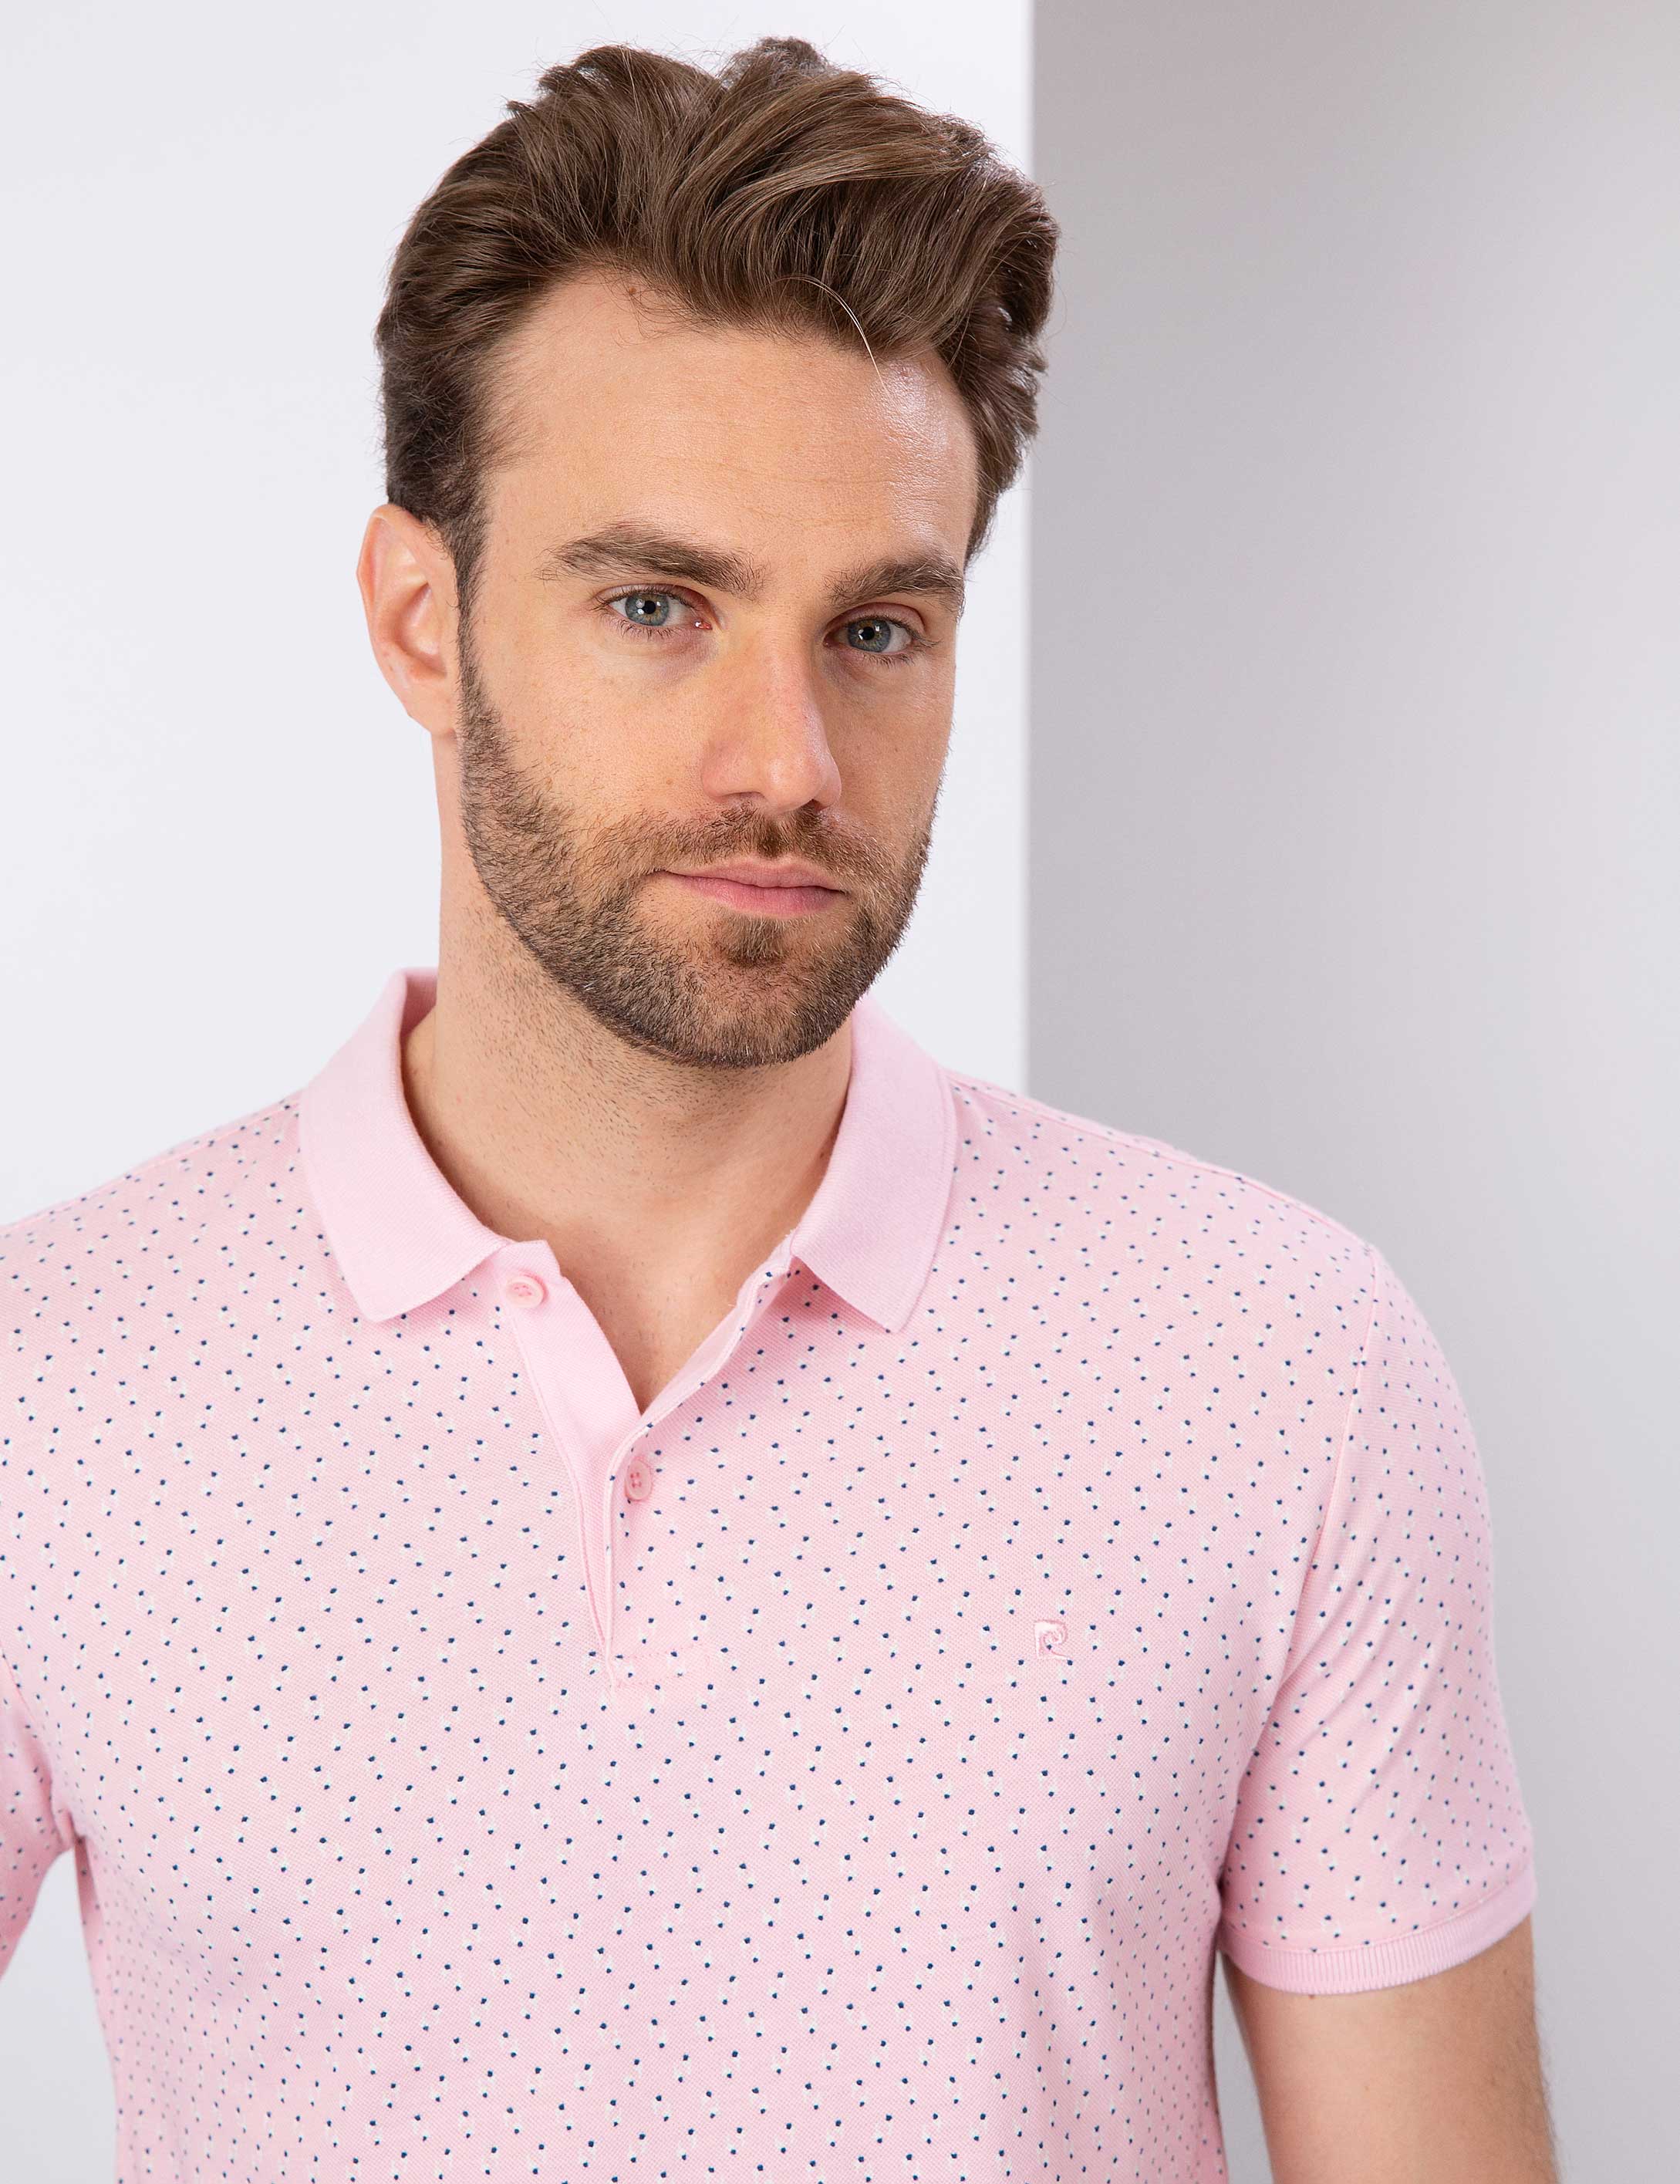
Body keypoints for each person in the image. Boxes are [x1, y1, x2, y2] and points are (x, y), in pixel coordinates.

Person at [0, 34, 1555, 2182]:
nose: (790, 763)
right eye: (658, 605)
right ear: (421, 620)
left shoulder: (1278, 1368)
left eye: (877, 629)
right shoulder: (51, 1385)